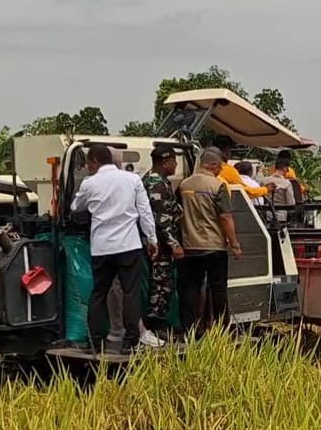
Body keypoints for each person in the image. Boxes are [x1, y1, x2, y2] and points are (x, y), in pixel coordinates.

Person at [70, 143, 158, 354]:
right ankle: (130, 342)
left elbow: (75, 207)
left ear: (94, 162)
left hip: (102, 248)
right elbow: (145, 212)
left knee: (99, 293)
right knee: (130, 293)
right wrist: (152, 238)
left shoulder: (89, 183)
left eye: (89, 165)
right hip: (129, 245)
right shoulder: (132, 179)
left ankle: (95, 342)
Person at [178, 148, 243, 335]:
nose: (220, 171)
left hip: (190, 246)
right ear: (213, 165)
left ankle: (189, 328)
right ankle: (222, 329)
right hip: (214, 247)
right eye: (220, 167)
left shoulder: (184, 185)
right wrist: (235, 244)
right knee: (218, 288)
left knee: (190, 288)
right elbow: (225, 218)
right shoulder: (217, 186)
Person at [142, 145, 185, 333]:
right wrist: (174, 244)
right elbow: (161, 218)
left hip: (160, 243)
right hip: (159, 245)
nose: (176, 165)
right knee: (161, 285)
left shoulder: (161, 181)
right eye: (174, 161)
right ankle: (156, 325)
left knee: (163, 284)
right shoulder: (155, 183)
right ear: (165, 162)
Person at [214, 136, 271, 200]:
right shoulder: (227, 170)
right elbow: (245, 192)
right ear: (226, 151)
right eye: (230, 150)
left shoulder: (206, 167)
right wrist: (266, 189)